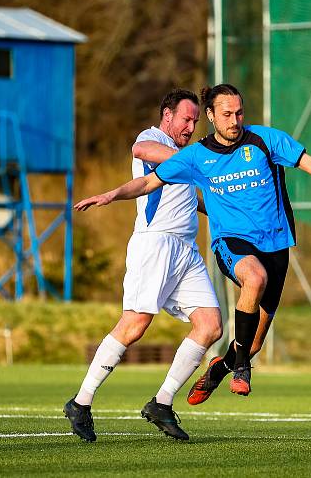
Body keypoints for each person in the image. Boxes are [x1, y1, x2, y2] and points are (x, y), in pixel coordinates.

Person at [73, 83, 311, 403]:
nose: (234, 120)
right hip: (227, 243)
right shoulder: (192, 153)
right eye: (227, 114)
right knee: (250, 279)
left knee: (248, 340)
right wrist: (112, 194)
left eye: (239, 112)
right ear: (213, 116)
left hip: (274, 243)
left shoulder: (264, 139)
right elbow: (146, 174)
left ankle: (217, 370)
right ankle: (84, 400)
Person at [64, 89, 222, 443]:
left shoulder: (187, 157)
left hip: (186, 250)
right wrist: (199, 161)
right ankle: (81, 401)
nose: (191, 125)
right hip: (156, 244)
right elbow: (142, 152)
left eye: (195, 120)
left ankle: (161, 403)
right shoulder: (153, 138)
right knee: (134, 325)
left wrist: (229, 213)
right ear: (167, 115)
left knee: (211, 326)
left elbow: (189, 197)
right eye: (186, 118)